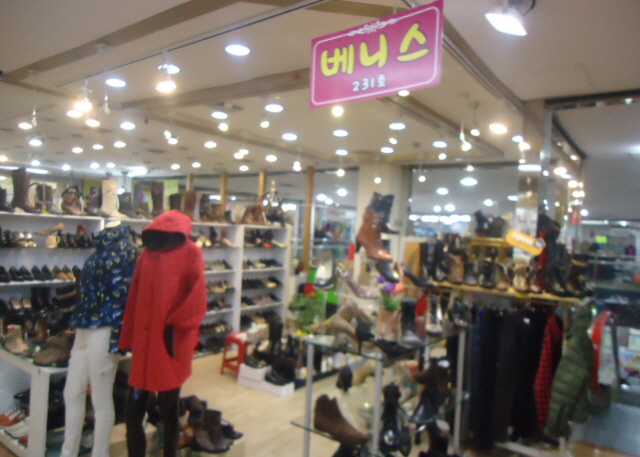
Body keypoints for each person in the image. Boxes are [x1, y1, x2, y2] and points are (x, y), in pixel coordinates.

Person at [119, 210, 207, 457]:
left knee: (169, 412)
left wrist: (173, 327)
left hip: (169, 345)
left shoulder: (191, 252)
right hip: (144, 345)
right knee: (132, 412)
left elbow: (197, 299)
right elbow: (135, 296)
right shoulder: (147, 253)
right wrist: (128, 336)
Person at [62, 221, 138, 457]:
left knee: (101, 397)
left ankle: (100, 453)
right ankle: (68, 452)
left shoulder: (127, 251)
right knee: (72, 391)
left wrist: (119, 338)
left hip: (106, 328)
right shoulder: (102, 246)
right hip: (85, 325)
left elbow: (125, 297)